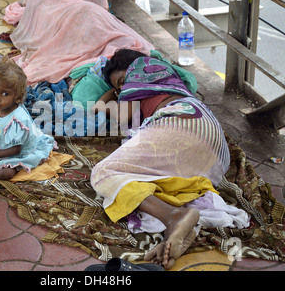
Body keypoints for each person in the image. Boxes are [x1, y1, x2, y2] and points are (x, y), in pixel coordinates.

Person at [90, 49, 230, 269]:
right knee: (150, 182)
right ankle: (181, 229)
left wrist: (108, 95)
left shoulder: (139, 71)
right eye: (119, 88)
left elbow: (115, 113)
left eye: (122, 82)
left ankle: (173, 216)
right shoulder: (168, 77)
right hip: (215, 150)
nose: (122, 90)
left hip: (180, 124)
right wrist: (117, 88)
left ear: (134, 68)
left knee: (103, 173)